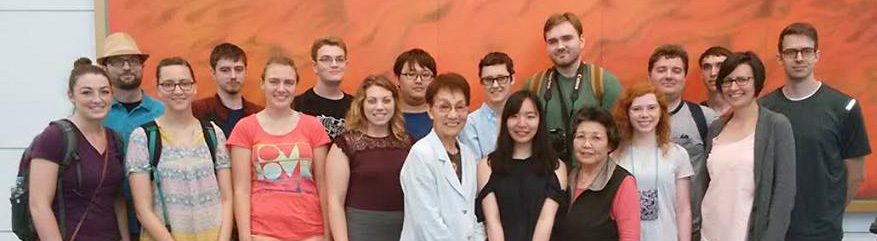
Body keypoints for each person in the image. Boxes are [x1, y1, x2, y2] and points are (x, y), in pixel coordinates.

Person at [759, 22, 871, 241]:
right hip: (774, 232)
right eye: (791, 52)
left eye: (806, 51)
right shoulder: (763, 109)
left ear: (816, 55)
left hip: (823, 233)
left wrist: (829, 215)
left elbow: (856, 176)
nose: (799, 58)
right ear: (780, 58)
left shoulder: (844, 107)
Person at [126, 57, 233, 240]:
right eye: (168, 84)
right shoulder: (143, 137)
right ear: (158, 89)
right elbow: (142, 210)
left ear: (194, 87)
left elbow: (227, 198)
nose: (178, 90)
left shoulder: (213, 133)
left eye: (184, 83)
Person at [227, 56, 331, 241]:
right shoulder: (245, 128)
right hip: (262, 232)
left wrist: (327, 233)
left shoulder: (313, 126)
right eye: (274, 81)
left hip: (311, 231)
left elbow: (323, 185)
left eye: (288, 82)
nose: (281, 89)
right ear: (262, 84)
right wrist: (245, 236)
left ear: (296, 87)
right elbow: (241, 189)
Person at [699, 51, 796, 241]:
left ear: (756, 82)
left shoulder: (776, 125)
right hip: (711, 233)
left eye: (742, 80)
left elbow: (784, 195)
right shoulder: (717, 127)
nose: (734, 87)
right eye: (727, 80)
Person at [29, 58, 128, 240]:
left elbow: (117, 199)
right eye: (87, 93)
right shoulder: (54, 137)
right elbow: (38, 205)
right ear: (71, 96)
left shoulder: (115, 139)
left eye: (104, 92)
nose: (97, 99)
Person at [522, 12, 623, 164]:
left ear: (581, 40)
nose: (560, 46)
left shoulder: (605, 83)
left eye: (567, 38)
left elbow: (620, 137)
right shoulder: (533, 85)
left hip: (592, 179)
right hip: (545, 177)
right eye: (553, 41)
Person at [325, 75, 414, 241]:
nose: (379, 107)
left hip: (404, 231)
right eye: (372, 101)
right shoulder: (344, 145)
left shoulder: (409, 144)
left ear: (395, 103)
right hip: (361, 229)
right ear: (361, 105)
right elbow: (335, 202)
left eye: (386, 100)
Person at [399, 73, 485, 241]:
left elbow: (468, 214)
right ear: (430, 110)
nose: (453, 115)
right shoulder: (421, 155)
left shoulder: (467, 155)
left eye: (460, 107)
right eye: (444, 107)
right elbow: (427, 224)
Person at [98, 32, 165, 239]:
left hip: (157, 216)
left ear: (142, 66)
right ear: (105, 68)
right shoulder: (98, 113)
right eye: (118, 62)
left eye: (133, 61)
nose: (127, 67)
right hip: (107, 217)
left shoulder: (162, 111)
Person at [646, 44, 717, 239]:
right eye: (661, 70)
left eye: (676, 70)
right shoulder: (634, 119)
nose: (669, 76)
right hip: (645, 228)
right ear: (649, 75)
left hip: (693, 228)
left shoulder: (706, 119)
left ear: (685, 77)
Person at [476, 90, 567, 241]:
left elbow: (546, 221)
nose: (522, 124)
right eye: (514, 116)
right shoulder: (487, 166)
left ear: (540, 120)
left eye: (530, 116)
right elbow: (493, 222)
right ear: (505, 121)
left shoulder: (556, 167)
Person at [612, 83, 693, 241]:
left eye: (651, 108)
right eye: (637, 109)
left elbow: (683, 209)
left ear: (661, 111)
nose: (644, 114)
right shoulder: (614, 157)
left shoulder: (677, 154)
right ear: (627, 113)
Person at [556, 106, 640, 241]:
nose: (586, 144)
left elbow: (630, 237)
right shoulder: (566, 177)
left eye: (596, 138)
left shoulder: (622, 182)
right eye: (581, 136)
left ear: (610, 145)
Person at [192, 42, 263, 138]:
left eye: (238, 69)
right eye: (225, 70)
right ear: (213, 73)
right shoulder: (198, 111)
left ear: (245, 71)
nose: (233, 76)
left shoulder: (259, 114)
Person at [294, 36, 354, 139]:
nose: (334, 64)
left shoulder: (356, 105)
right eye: (326, 59)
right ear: (315, 66)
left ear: (345, 64)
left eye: (339, 59)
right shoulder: (298, 105)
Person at [460, 52, 516, 159]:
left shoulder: (524, 118)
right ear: (481, 82)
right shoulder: (471, 124)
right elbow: (474, 167)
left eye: (501, 78)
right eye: (488, 80)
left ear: (512, 78)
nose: (495, 85)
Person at [393, 48, 437, 141]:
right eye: (411, 74)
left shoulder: (442, 116)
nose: (418, 80)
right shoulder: (385, 115)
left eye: (425, 75)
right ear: (397, 79)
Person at [697, 46, 732, 114]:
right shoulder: (696, 114)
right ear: (701, 75)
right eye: (707, 67)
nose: (713, 73)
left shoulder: (744, 111)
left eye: (720, 66)